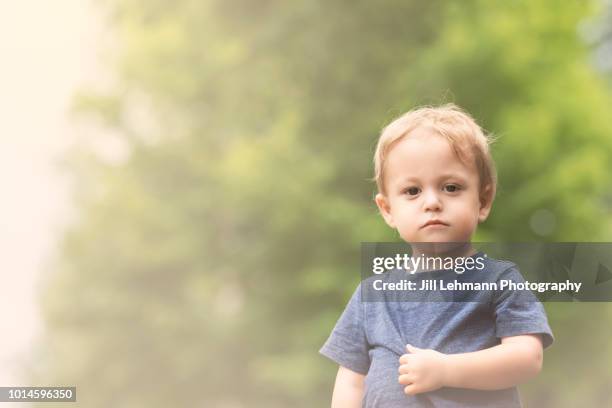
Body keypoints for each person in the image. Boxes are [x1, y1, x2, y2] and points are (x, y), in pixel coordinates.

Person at [319, 104, 554, 407]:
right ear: (388, 209)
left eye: (451, 187)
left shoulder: (499, 280)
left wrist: (446, 370)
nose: (431, 202)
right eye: (412, 191)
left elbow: (527, 357)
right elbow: (351, 380)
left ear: (483, 200)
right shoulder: (371, 295)